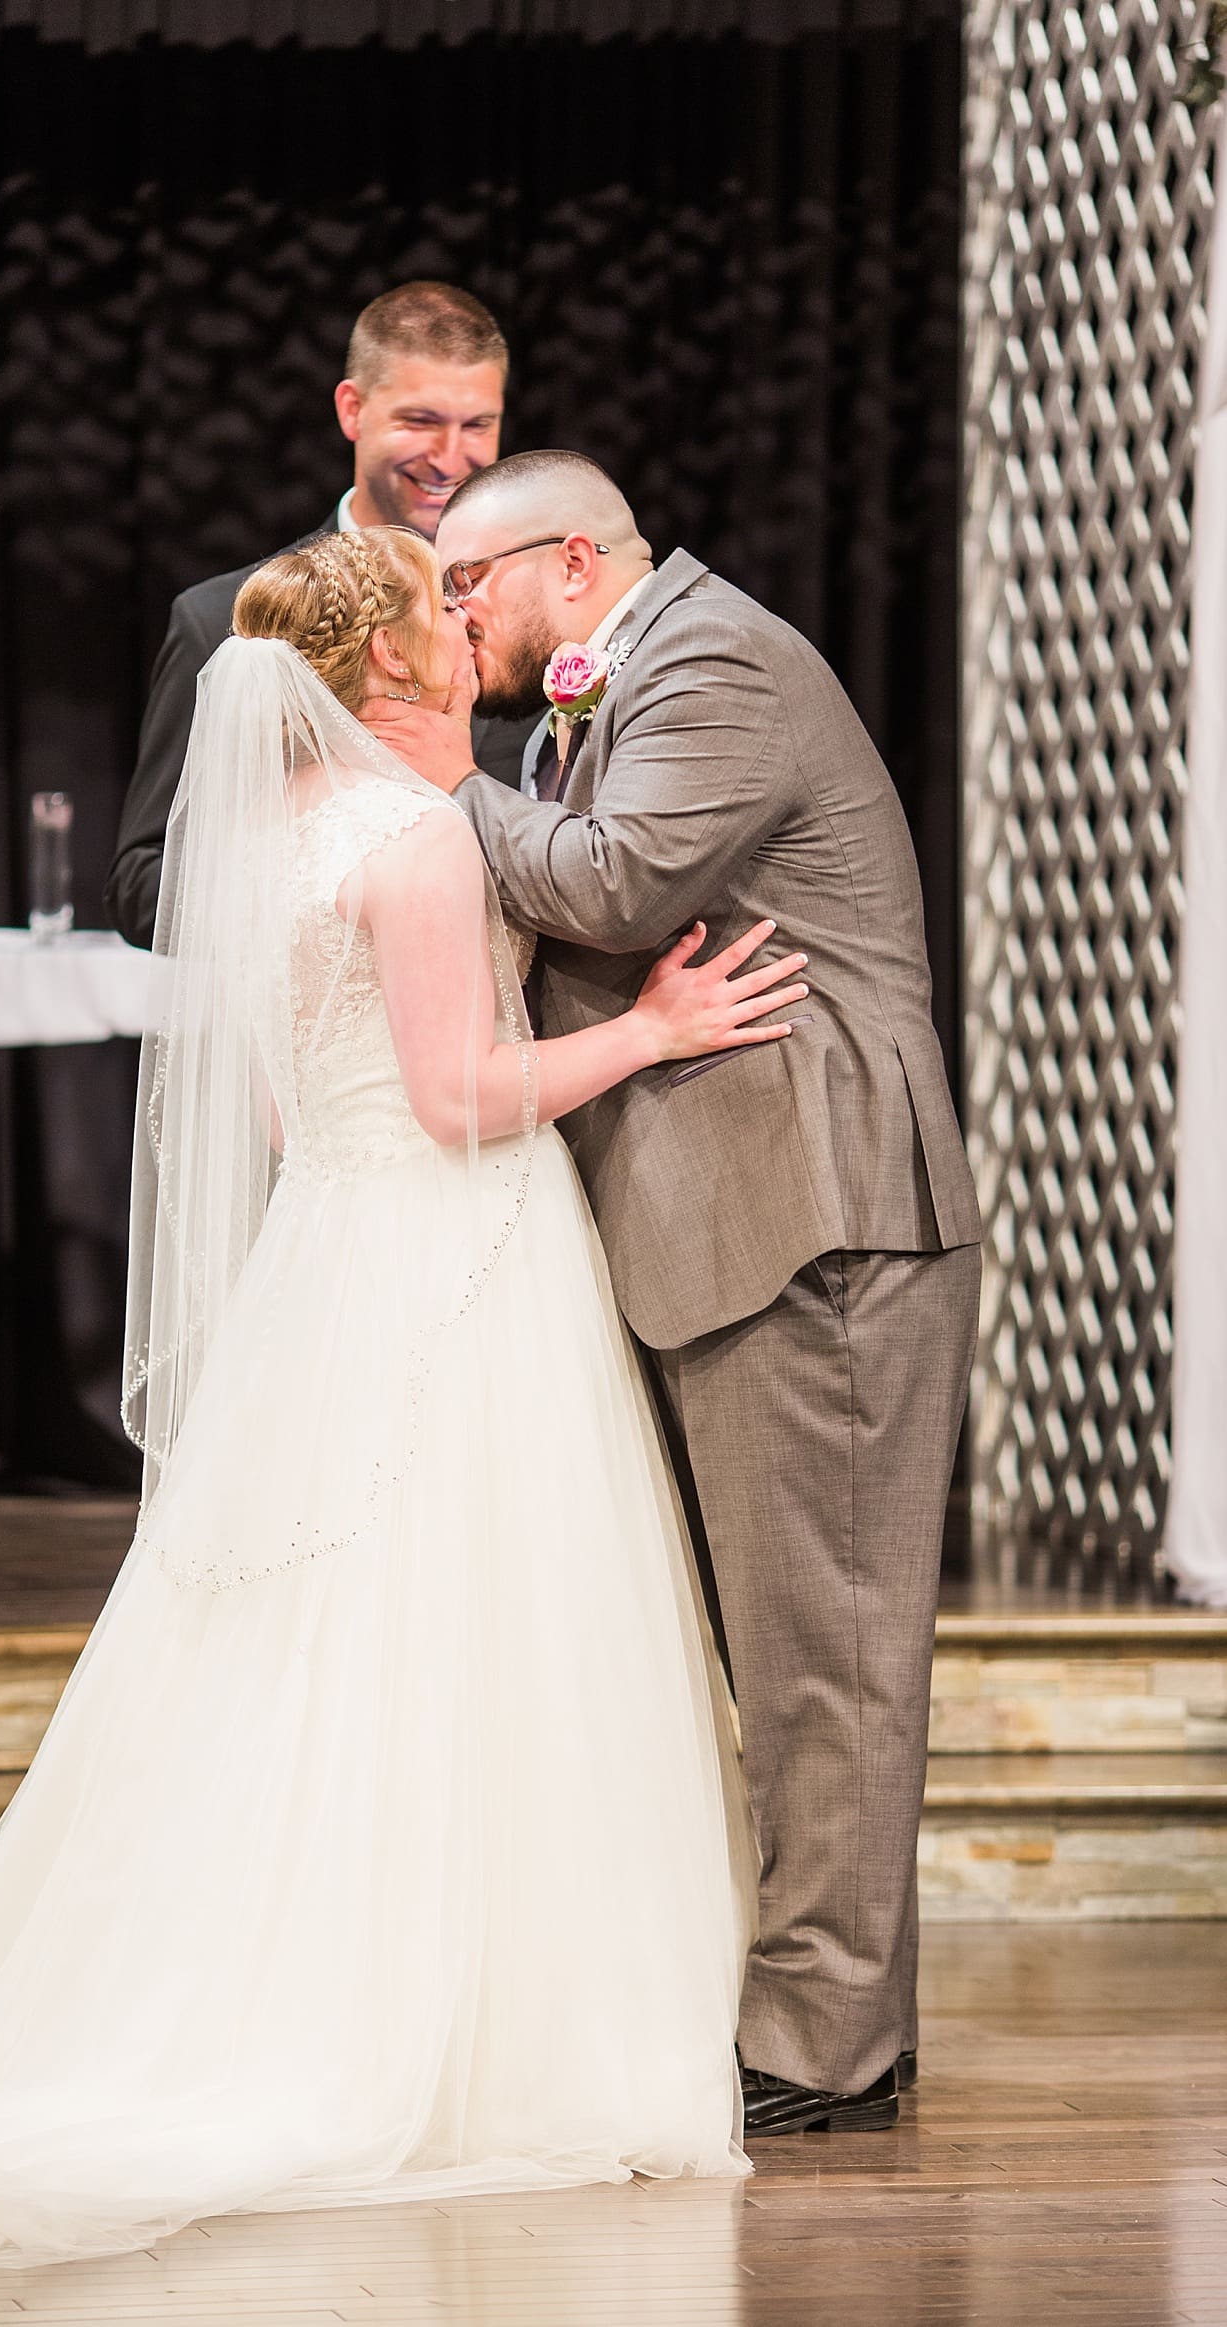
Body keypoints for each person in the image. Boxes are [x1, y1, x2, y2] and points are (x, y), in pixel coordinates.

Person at [0, 526, 807, 2267]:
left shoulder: (266, 842)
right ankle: (469, 2030)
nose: (464, 624)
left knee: (311, 1632)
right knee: (465, 1627)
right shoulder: (417, 838)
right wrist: (654, 1033)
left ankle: (262, 1973)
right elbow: (455, 1096)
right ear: (384, 670)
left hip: (324, 1259)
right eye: (439, 612)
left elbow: (295, 1112)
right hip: (451, 1251)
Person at [358, 449, 983, 2138]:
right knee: (782, 1652)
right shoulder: (611, 680)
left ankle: (821, 2049)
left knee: (825, 1654)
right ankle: (832, 2011)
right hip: (735, 1219)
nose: (451, 614)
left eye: (467, 584)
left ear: (571, 563)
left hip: (816, 1212)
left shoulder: (710, 658)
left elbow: (619, 883)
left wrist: (440, 778)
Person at [105, 281, 532, 947]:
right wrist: (322, 906)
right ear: (351, 409)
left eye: (477, 425)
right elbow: (141, 883)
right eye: (420, 421)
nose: (452, 460)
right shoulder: (224, 617)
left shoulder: (528, 615)